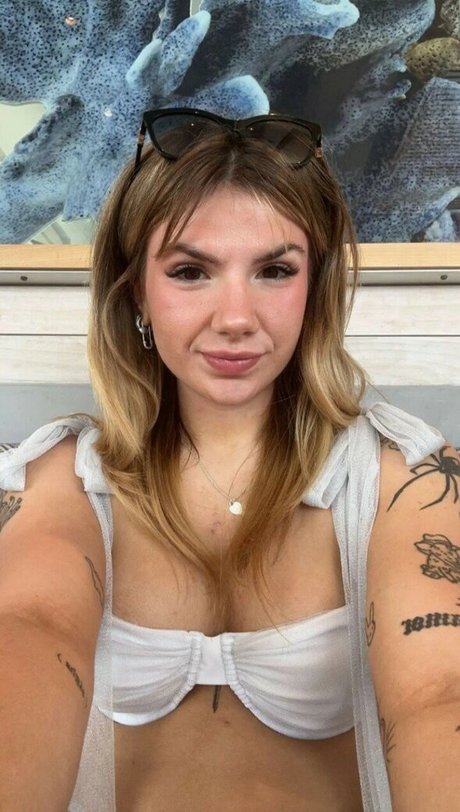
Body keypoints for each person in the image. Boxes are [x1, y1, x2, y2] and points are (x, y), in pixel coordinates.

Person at [0, 108, 458, 812]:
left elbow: (439, 692)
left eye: (275, 270)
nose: (237, 317)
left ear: (314, 287)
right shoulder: (61, 479)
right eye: (191, 271)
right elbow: (30, 630)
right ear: (136, 289)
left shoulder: (407, 480)